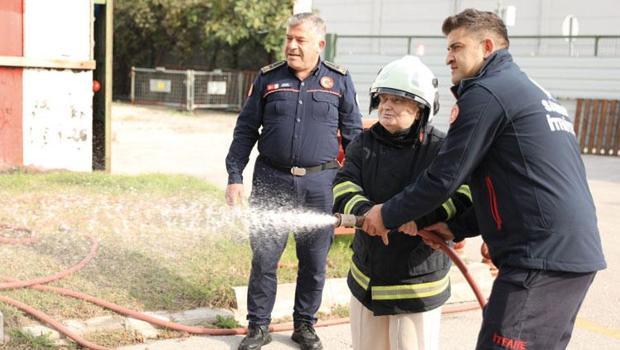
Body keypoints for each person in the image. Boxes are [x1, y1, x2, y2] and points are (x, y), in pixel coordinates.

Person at [361, 8, 606, 349]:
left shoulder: (486, 93)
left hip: (538, 259)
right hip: (566, 256)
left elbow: (444, 177)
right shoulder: (526, 90)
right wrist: (454, 228)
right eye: (448, 49)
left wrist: (386, 214)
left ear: (487, 46)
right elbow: (513, 185)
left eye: (457, 47)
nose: (448, 57)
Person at [225, 12, 363, 350]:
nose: (292, 45)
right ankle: (258, 326)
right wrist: (234, 176)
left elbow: (355, 136)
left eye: (300, 39)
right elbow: (246, 129)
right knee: (264, 259)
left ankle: (305, 325)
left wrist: (355, 186)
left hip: (320, 186)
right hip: (271, 180)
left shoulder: (339, 81)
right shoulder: (268, 79)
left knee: (314, 262)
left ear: (320, 43)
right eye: (289, 38)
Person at [332, 55, 472, 350]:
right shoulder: (363, 143)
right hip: (368, 278)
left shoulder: (441, 149)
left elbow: (462, 195)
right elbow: (343, 185)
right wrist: (365, 212)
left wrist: (420, 218)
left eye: (397, 100)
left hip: (416, 284)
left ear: (420, 107)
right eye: (383, 98)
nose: (386, 106)